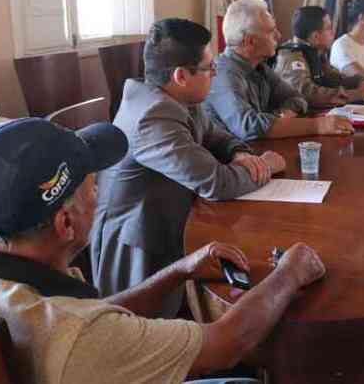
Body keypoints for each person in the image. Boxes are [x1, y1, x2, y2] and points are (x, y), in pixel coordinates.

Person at [0, 118, 326, 384]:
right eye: (94, 191)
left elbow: (91, 317)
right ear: (66, 223)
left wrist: (178, 271)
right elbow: (228, 343)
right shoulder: (83, 338)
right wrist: (291, 271)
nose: (99, 200)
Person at [92, 18, 286, 317]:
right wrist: (266, 166)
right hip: (141, 253)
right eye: (210, 68)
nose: (215, 71)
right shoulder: (152, 116)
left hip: (172, 223)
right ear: (181, 75)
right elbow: (216, 183)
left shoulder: (177, 96)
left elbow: (215, 136)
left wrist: (238, 154)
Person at [204, 0, 355, 141]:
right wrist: (318, 125)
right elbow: (249, 127)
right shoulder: (223, 73)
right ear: (250, 42)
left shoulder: (259, 66)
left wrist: (280, 116)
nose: (279, 35)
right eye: (271, 31)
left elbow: (298, 99)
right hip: (224, 163)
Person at [274, 6, 364, 107]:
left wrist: (360, 80)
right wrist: (356, 93)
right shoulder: (292, 56)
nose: (333, 33)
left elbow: (332, 79)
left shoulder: (315, 51)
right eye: (329, 28)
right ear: (316, 36)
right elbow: (306, 92)